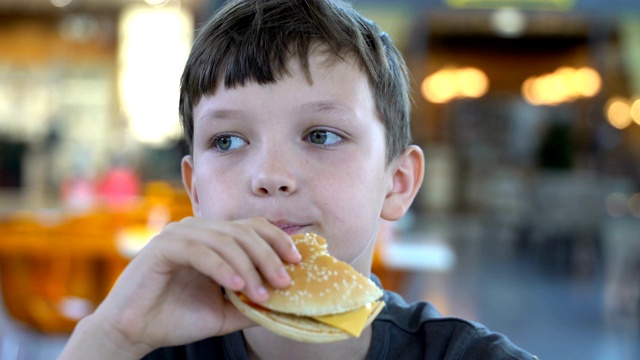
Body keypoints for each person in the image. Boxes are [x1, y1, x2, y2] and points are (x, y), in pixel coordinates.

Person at [59, 0, 535, 359]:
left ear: (397, 183)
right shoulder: (138, 347)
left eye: (321, 135)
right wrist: (108, 339)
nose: (270, 176)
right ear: (196, 191)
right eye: (226, 141)